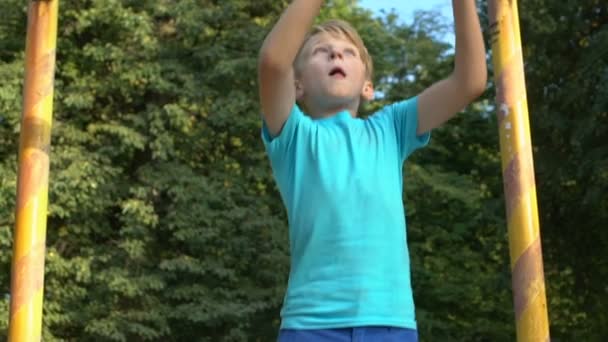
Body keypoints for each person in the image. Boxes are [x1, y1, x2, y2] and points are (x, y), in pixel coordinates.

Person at [257, 1, 486, 341]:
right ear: (298, 85)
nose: (336, 56)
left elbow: (469, 83)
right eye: (322, 52)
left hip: (391, 323)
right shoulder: (294, 137)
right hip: (310, 326)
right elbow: (274, 62)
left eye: (349, 52)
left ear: (368, 86)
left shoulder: (391, 128)